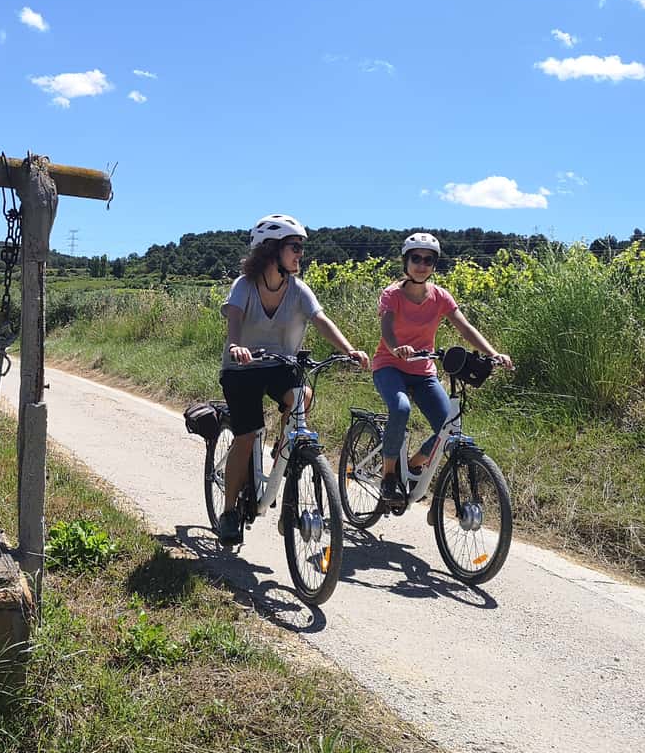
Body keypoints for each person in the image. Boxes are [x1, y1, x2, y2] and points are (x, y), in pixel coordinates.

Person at [218, 214, 369, 545]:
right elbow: (234, 319)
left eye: (301, 248)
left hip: (280, 364)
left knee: (302, 396)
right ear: (271, 251)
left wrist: (350, 350)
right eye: (295, 247)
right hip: (242, 368)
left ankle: (282, 456)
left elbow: (320, 319)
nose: (301, 254)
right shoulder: (244, 286)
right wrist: (236, 346)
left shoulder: (299, 290)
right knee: (246, 435)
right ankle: (229, 511)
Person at [372, 232, 514, 509]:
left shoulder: (440, 297)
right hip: (390, 365)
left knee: (449, 426)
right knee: (400, 409)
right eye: (416, 258)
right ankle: (389, 476)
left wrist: (493, 353)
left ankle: (414, 465)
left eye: (428, 260)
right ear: (406, 261)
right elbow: (387, 329)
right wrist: (397, 347)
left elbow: (465, 327)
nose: (421, 265)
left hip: (423, 370)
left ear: (434, 265)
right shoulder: (392, 295)